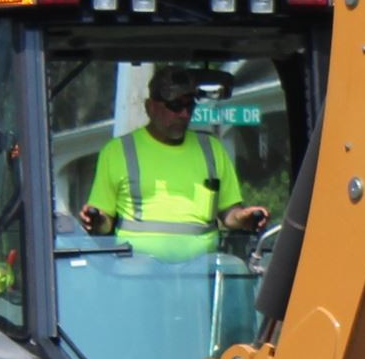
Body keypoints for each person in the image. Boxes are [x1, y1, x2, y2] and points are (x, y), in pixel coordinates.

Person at [79, 66, 269, 256]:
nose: (184, 114)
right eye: (175, 106)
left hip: (201, 275)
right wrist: (96, 220)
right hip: (135, 276)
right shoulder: (117, 151)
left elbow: (229, 214)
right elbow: (105, 223)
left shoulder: (212, 149)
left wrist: (244, 218)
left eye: (189, 106)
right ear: (150, 107)